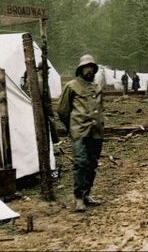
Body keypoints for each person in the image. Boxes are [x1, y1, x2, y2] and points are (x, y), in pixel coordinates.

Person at [57, 54, 104, 212]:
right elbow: (62, 111)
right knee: (80, 164)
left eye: (91, 67)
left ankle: (87, 195)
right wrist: (72, 128)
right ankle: (78, 198)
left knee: (92, 164)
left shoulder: (97, 87)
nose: (89, 70)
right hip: (80, 132)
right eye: (86, 67)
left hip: (96, 132)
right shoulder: (72, 86)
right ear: (80, 69)